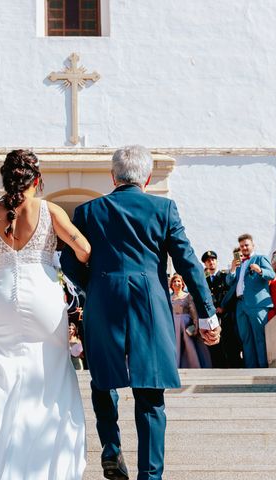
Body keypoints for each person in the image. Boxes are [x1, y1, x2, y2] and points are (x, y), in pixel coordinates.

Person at [61, 145, 220, 480]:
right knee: (150, 391)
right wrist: (208, 313)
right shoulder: (163, 208)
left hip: (103, 300)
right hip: (149, 303)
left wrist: (94, 286)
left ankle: (111, 449)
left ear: (112, 176)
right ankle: (150, 475)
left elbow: (68, 263)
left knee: (103, 380)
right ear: (147, 178)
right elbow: (187, 261)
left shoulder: (88, 212)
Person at [0, 149, 91, 479]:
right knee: (50, 376)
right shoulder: (50, 210)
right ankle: (46, 464)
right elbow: (83, 249)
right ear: (37, 180)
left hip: (0, 297)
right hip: (43, 297)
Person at [226, 233, 275, 368]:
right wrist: (232, 269)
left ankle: (263, 367)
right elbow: (230, 282)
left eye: (246, 245)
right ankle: (250, 368)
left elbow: (272, 275)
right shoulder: (239, 264)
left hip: (257, 304)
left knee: (259, 337)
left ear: (253, 245)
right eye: (242, 246)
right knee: (246, 338)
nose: (244, 248)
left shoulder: (260, 258)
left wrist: (260, 270)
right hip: (241, 304)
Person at [202, 250, 237, 368]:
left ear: (216, 261)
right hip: (211, 316)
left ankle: (232, 368)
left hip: (225, 315)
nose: (211, 262)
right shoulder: (204, 281)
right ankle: (217, 369)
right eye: (208, 261)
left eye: (213, 259)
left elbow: (231, 293)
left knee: (228, 341)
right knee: (214, 344)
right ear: (205, 264)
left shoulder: (225, 277)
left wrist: (223, 307)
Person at [171, 274, 212, 368]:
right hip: (172, 324)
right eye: (174, 281)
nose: (176, 283)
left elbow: (193, 311)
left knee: (188, 346)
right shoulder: (168, 297)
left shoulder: (188, 296)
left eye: (178, 281)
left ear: (182, 284)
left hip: (185, 324)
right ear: (171, 284)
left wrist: (195, 324)